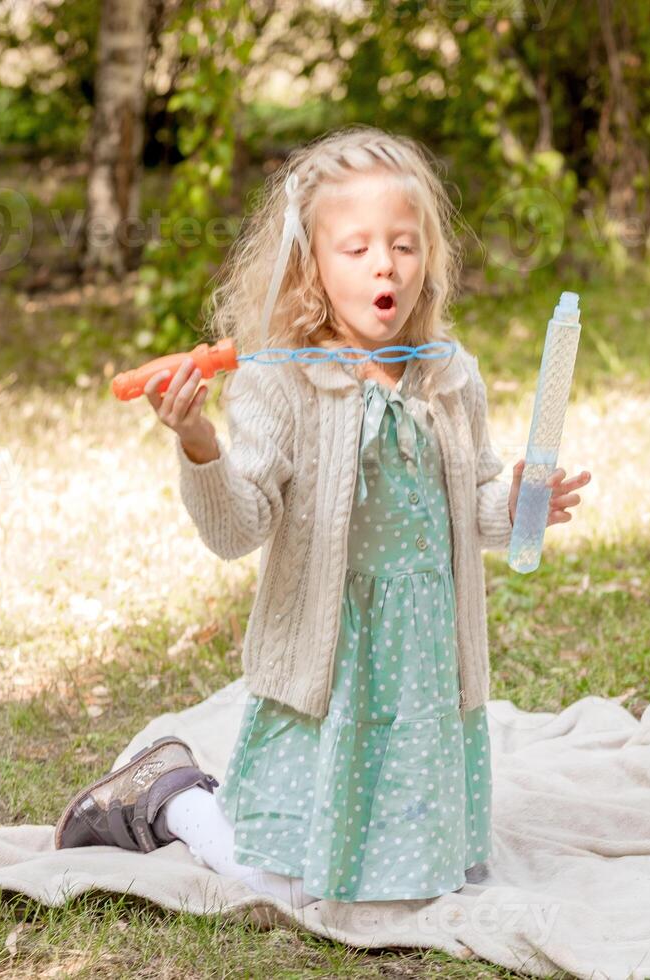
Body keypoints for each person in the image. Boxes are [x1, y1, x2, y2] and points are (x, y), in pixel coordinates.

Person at [54, 127, 591, 907]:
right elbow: (239, 529)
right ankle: (174, 798)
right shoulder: (283, 383)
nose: (386, 265)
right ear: (311, 265)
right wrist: (201, 445)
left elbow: (471, 507)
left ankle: (395, 850)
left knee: (436, 878)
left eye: (405, 246)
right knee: (282, 881)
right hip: (331, 656)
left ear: (428, 260)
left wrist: (519, 503)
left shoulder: (448, 373)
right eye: (358, 248)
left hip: (424, 653)